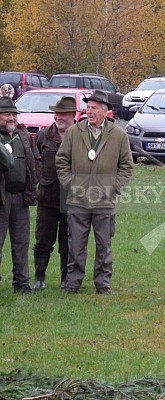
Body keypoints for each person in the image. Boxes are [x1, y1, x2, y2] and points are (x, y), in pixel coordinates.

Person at [56, 90, 133, 294]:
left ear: (105, 111)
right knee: (76, 244)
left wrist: (113, 187)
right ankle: (73, 283)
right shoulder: (74, 131)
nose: (89, 111)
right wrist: (71, 185)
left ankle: (103, 284)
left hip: (104, 202)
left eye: (94, 108)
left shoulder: (118, 135)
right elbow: (61, 160)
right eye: (88, 107)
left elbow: (127, 166)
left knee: (103, 244)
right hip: (77, 200)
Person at [32, 97, 76, 290]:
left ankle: (66, 279)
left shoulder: (80, 136)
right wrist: (42, 178)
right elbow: (35, 160)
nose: (58, 117)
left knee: (68, 242)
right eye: (56, 113)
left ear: (73, 116)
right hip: (47, 197)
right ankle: (39, 278)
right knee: (43, 239)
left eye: (63, 114)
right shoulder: (43, 136)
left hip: (72, 198)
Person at [0, 96, 41, 294]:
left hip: (21, 197)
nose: (11, 118)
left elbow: (36, 159)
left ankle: (22, 283)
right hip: (1, 197)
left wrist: (35, 179)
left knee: (21, 242)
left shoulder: (24, 135)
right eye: (7, 114)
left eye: (14, 114)